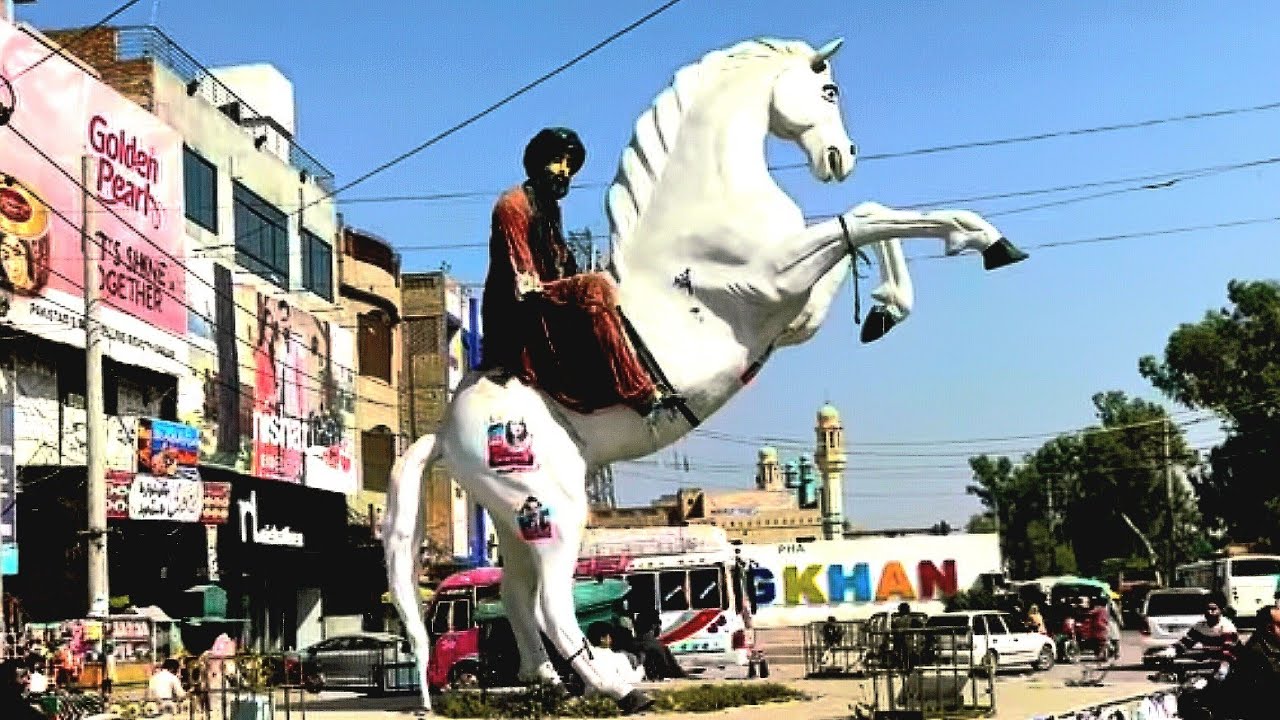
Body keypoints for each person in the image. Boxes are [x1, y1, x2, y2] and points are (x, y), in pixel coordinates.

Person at [480, 127, 675, 417]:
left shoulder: (550, 210)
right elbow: (526, 284)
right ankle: (640, 393)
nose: (565, 171)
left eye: (570, 165)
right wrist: (580, 289)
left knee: (608, 286)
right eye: (558, 161)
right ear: (538, 161)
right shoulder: (513, 207)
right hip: (518, 320)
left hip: (543, 303)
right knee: (594, 287)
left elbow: (562, 264)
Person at [1167, 595, 1239, 662]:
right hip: (1209, 660)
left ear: (1221, 610)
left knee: (1222, 673)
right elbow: (1186, 643)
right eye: (1207, 609)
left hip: (1227, 660)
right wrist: (1173, 650)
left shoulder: (1227, 627)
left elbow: (1228, 650)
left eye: (1213, 609)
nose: (1209, 612)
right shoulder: (1200, 626)